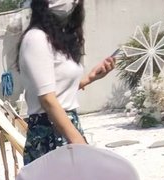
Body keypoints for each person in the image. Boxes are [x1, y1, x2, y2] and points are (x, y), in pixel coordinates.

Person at [18, 0, 115, 164]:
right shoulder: (36, 38)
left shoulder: (57, 40)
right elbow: (47, 99)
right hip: (49, 132)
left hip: (66, 127)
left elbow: (57, 90)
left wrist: (90, 78)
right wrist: (79, 142)